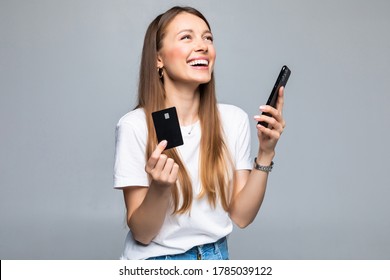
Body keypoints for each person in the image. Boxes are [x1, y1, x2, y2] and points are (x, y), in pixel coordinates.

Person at [113, 6, 286, 260]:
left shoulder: (232, 119)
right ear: (158, 58)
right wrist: (160, 188)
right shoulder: (135, 126)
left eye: (208, 38)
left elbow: (242, 216)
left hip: (217, 256)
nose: (203, 46)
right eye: (186, 37)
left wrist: (266, 153)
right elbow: (143, 233)